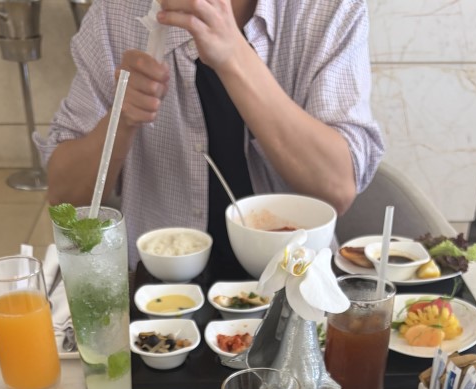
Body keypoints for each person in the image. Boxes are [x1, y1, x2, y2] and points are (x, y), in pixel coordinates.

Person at [37, 0, 384, 270]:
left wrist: (234, 56)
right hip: (161, 294)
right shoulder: (116, 13)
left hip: (298, 282)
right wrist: (121, 119)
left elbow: (337, 187)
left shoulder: (325, 9)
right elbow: (66, 197)